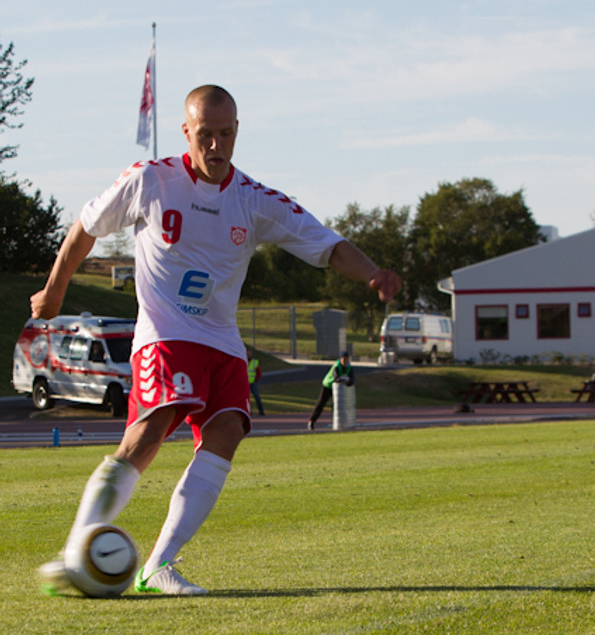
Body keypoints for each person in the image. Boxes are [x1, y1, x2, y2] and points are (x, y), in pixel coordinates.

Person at [35, 85, 401, 596]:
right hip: (165, 334)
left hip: (222, 340)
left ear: (236, 132)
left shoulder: (253, 199)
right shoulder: (150, 180)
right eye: (205, 134)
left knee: (227, 431)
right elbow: (86, 226)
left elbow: (326, 243)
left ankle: (157, 567)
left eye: (225, 134)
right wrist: (54, 290)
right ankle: (77, 550)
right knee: (153, 428)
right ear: (186, 131)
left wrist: (371, 273)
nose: (215, 145)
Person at [307, 351, 354, 430]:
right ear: (340, 359)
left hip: (338, 389)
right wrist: (345, 380)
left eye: (347, 359)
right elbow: (336, 378)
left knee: (336, 405)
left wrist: (348, 381)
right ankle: (311, 421)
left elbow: (352, 380)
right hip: (328, 385)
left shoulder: (349, 367)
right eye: (344, 359)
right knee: (321, 403)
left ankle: (337, 423)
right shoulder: (337, 366)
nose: (345, 361)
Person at [246, 346, 264, 416]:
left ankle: (261, 411)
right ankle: (248, 412)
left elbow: (259, 373)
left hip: (252, 383)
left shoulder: (254, 362)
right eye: (247, 353)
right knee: (246, 399)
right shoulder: (243, 361)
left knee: (257, 396)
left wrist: (256, 379)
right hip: (245, 383)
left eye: (249, 353)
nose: (248, 355)